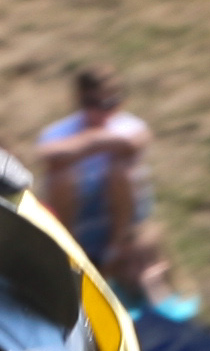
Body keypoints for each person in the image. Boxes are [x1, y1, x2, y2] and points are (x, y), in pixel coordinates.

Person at [29, 68, 151, 267]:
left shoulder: (130, 125)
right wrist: (100, 141)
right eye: (92, 103)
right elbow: (47, 156)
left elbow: (134, 144)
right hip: (80, 213)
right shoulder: (58, 131)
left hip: (121, 215)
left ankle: (117, 246)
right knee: (61, 177)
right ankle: (68, 250)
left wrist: (82, 145)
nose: (101, 112)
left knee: (120, 170)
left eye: (109, 104)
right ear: (79, 100)